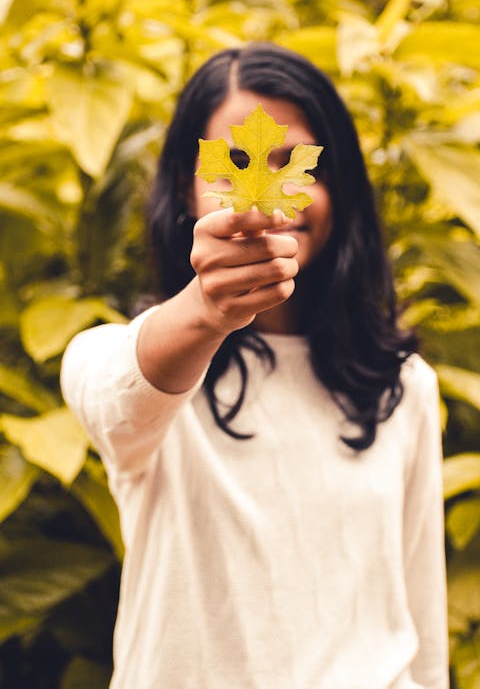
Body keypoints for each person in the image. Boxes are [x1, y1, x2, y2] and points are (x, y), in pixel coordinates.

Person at [61, 42, 448, 689]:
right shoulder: (161, 374)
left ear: (338, 185)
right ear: (187, 188)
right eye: (234, 163)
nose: (266, 194)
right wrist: (205, 312)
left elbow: (423, 625)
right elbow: (104, 386)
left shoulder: (403, 389)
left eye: (294, 162)